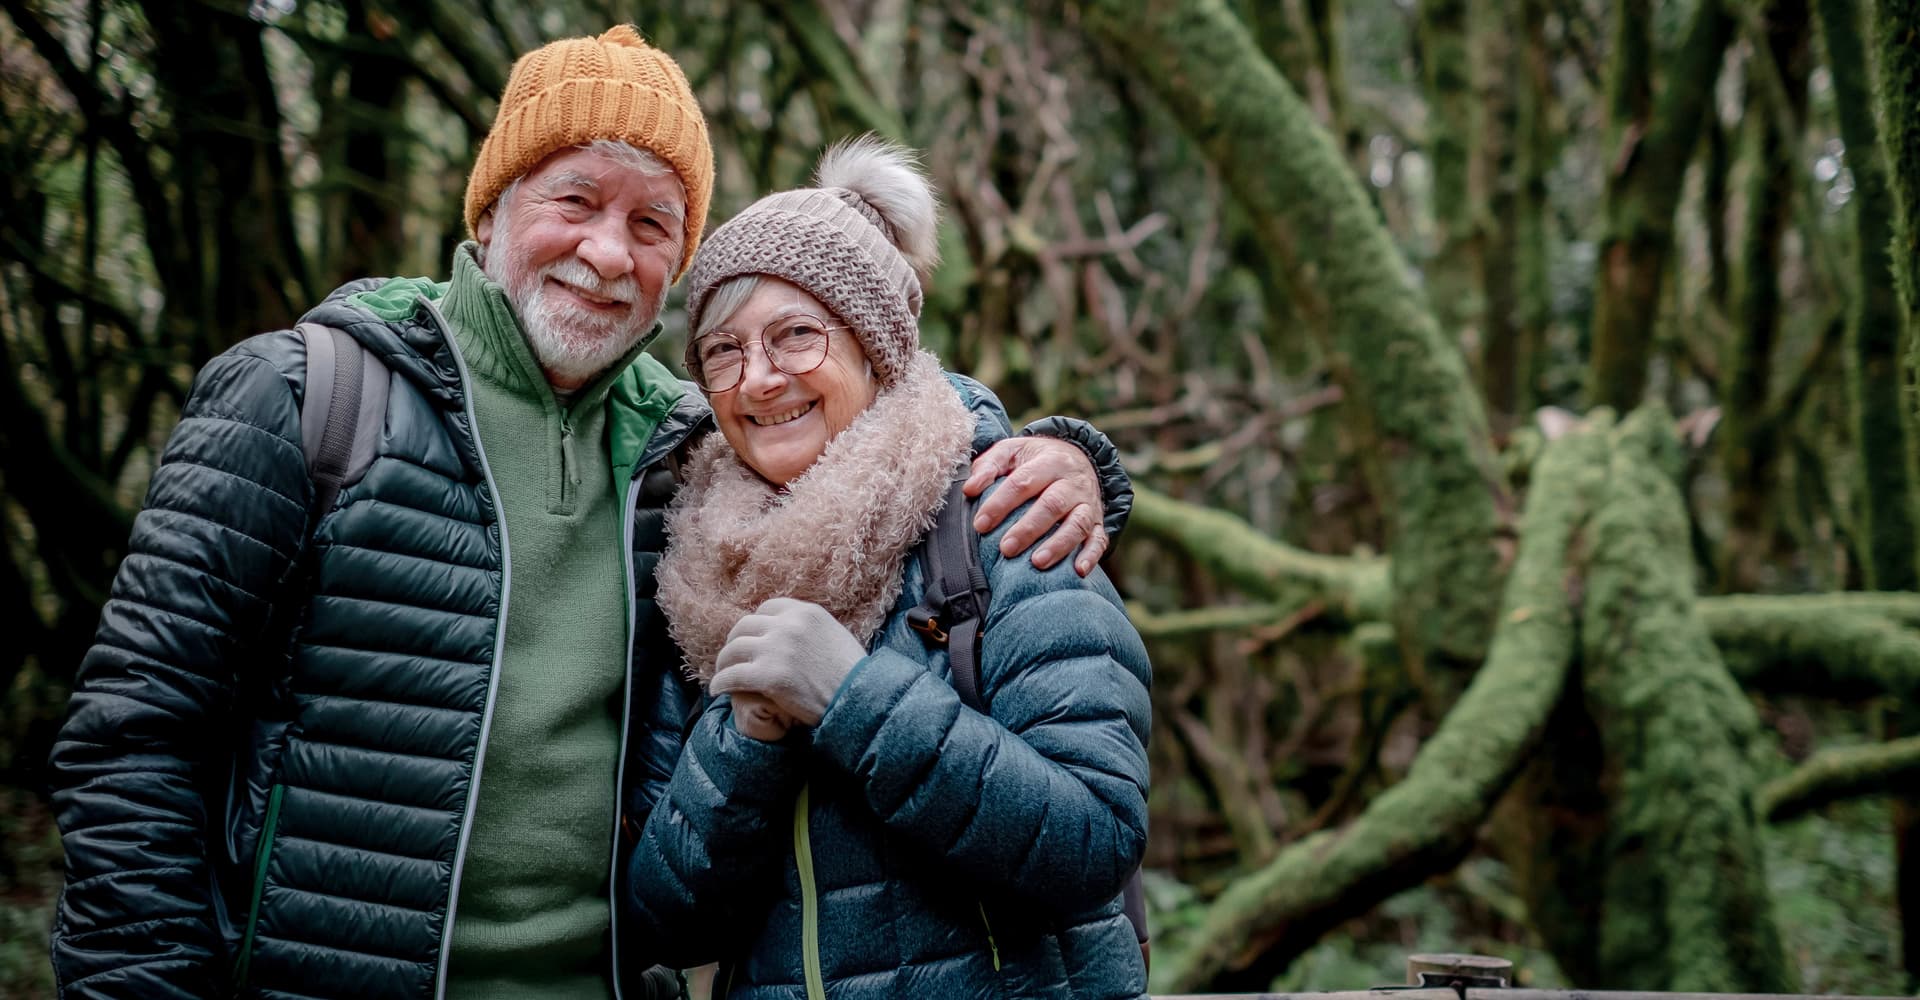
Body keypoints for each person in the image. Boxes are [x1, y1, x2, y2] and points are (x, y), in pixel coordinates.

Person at [45, 27, 1131, 1000]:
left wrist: (1072, 460)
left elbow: (895, 424)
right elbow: (136, 733)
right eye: (575, 199)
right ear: (494, 206)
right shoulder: (306, 398)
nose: (608, 252)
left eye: (653, 221)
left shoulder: (681, 459)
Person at [626, 137, 1150, 999]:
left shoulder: (1005, 513)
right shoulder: (697, 574)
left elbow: (1094, 840)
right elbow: (664, 923)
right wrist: (747, 737)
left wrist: (851, 698)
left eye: (796, 336)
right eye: (722, 350)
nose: (758, 380)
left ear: (874, 347)